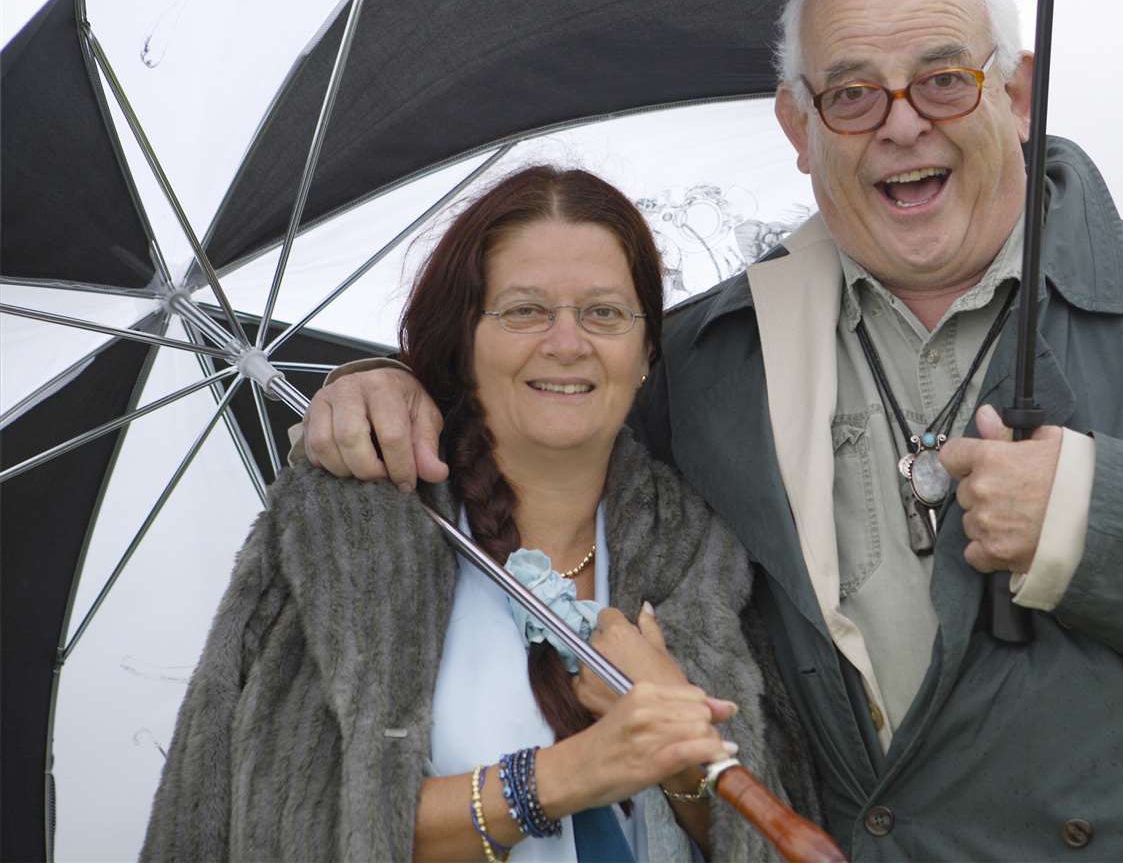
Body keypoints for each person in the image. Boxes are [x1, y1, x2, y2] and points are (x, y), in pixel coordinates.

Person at [302, 0, 1123, 860]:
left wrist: (1099, 523)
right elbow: (548, 413)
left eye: (944, 78)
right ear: (797, 130)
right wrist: (391, 383)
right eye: (851, 94)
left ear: (1017, 92)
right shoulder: (709, 361)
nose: (901, 123)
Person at [141, 166, 813, 862]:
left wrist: (682, 762)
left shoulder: (700, 550)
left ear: (646, 353)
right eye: (524, 310)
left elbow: (773, 831)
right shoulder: (351, 534)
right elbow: (275, 829)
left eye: (604, 313)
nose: (566, 342)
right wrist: (562, 778)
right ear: (464, 342)